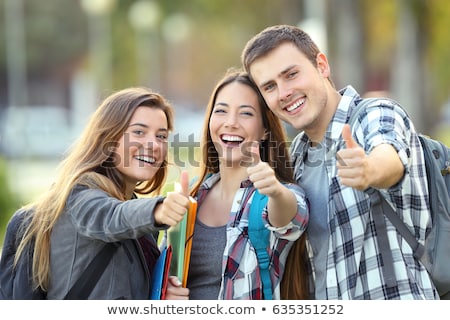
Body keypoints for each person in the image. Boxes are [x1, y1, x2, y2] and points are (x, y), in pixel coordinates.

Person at [241, 24, 439, 300]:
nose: (284, 92)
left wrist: (368, 170)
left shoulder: (374, 113)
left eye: (292, 75)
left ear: (322, 66)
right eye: (270, 86)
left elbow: (389, 156)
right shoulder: (297, 156)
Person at [1, 87, 190, 299]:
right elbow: (110, 216)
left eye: (161, 136)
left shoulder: (139, 223)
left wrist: (161, 297)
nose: (154, 144)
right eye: (138, 132)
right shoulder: (79, 197)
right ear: (108, 138)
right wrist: (158, 210)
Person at [187, 69, 309, 300]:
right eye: (221, 111)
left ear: (264, 130)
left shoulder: (276, 194)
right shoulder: (193, 194)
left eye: (246, 113)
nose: (230, 123)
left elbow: (292, 218)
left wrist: (274, 191)